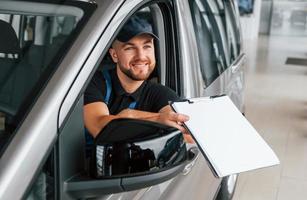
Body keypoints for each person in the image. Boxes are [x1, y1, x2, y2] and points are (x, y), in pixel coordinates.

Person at [83, 15, 192, 142]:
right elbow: (99, 127)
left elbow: (188, 137)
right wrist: (157, 120)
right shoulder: (94, 82)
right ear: (114, 55)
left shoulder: (160, 94)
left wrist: (130, 116)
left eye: (147, 47)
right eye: (130, 48)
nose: (141, 56)